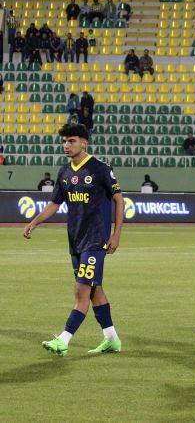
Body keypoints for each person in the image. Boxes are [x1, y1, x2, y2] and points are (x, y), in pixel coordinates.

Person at [23, 123, 124, 357]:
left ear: (83, 142)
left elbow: (119, 200)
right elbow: (55, 204)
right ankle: (111, 339)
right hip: (76, 241)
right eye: (64, 142)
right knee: (93, 289)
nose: (66, 146)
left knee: (81, 290)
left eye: (71, 141)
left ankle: (64, 339)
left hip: (95, 240)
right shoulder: (65, 173)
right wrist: (35, 222)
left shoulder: (100, 169)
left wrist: (116, 234)